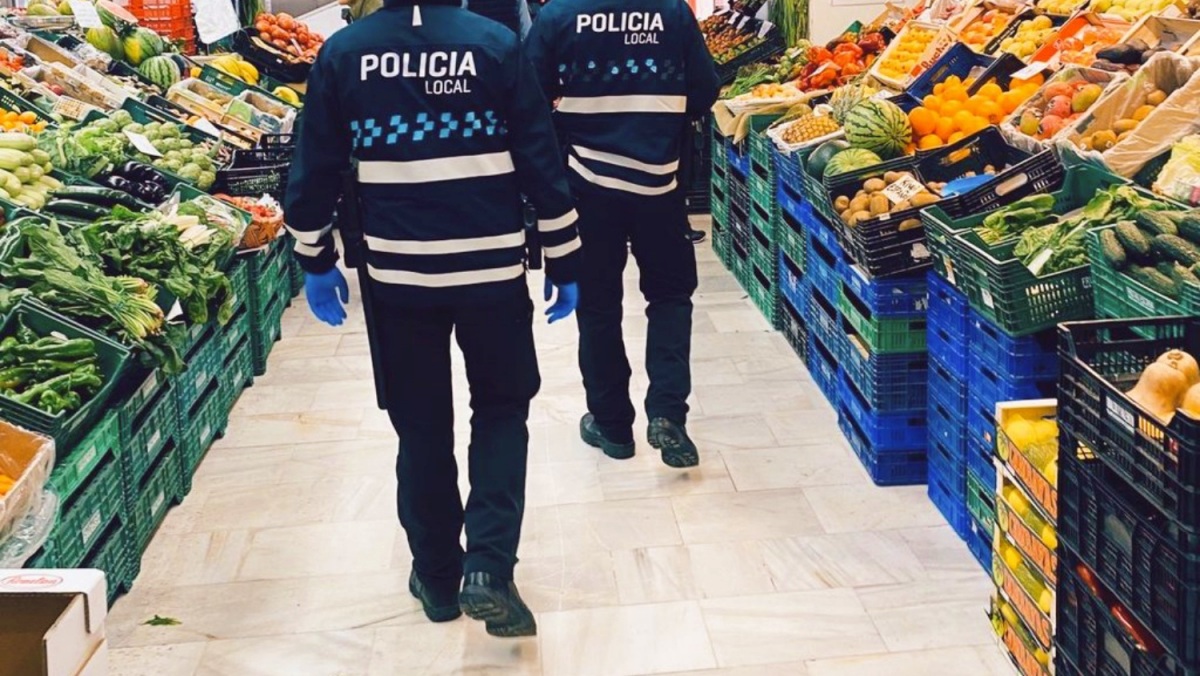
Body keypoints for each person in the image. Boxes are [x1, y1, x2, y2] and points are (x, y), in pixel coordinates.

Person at [284, 0, 582, 638]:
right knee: (502, 409)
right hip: (491, 273)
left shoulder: (344, 53)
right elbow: (539, 154)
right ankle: (490, 568)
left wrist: (315, 257)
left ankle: (439, 578)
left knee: (420, 425)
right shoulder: (496, 44)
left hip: (398, 279)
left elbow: (315, 167)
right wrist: (564, 253)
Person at [526, 0, 718, 468]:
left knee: (597, 305)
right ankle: (668, 414)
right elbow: (705, 90)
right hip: (662, 182)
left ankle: (612, 426)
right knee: (671, 298)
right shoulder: (671, 11)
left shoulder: (559, 16)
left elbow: (528, 94)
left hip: (588, 187)